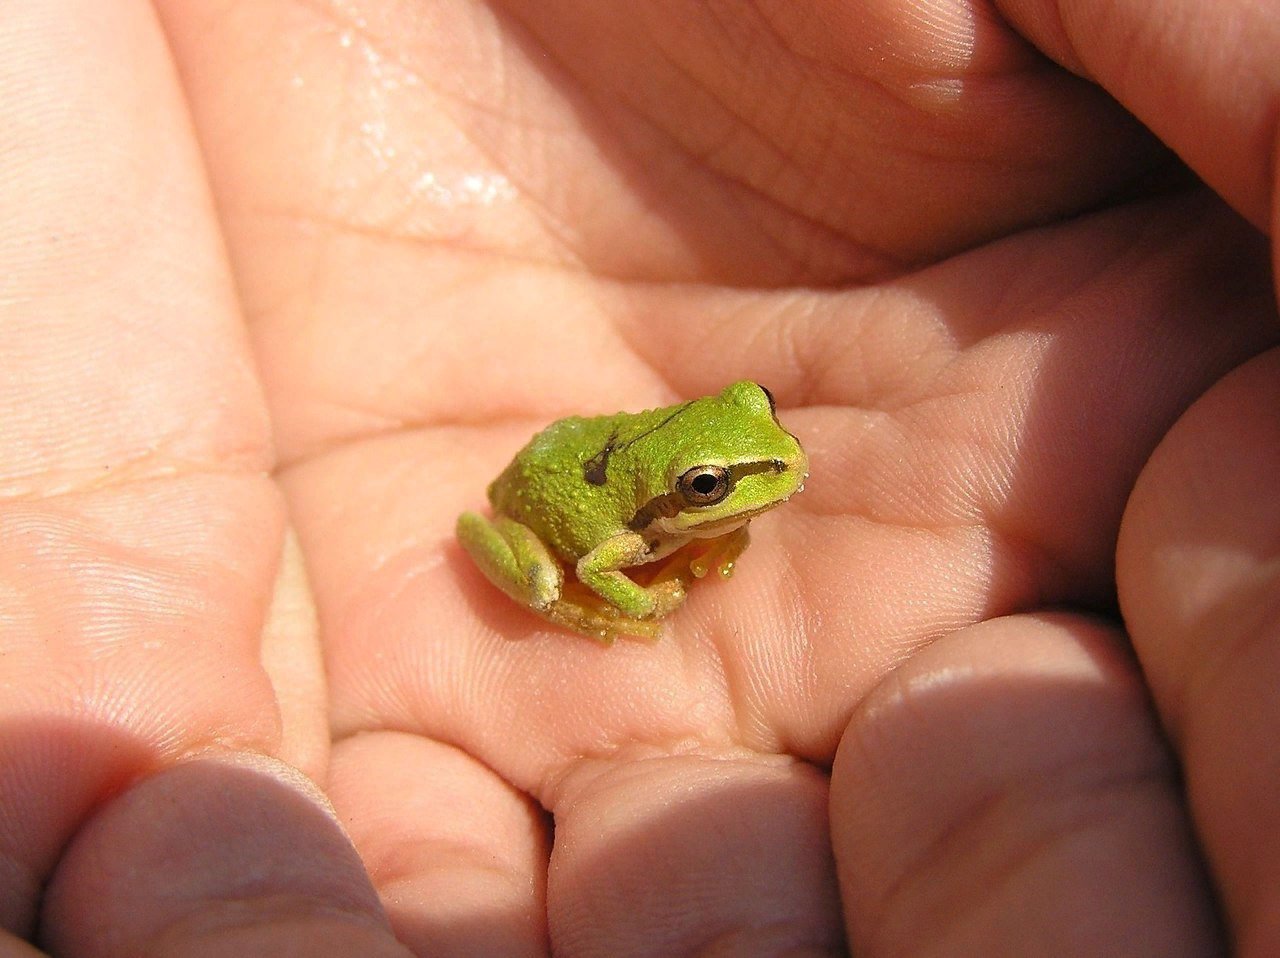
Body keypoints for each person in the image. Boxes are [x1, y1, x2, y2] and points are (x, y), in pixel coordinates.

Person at [2, 1, 1276, 954]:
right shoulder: (629, 532)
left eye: (748, 446)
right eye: (726, 483)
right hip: (544, 509)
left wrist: (709, 515)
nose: (768, 468)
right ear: (687, 490)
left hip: (597, 446)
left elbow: (727, 456)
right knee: (577, 564)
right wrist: (608, 601)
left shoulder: (724, 448)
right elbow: (612, 558)